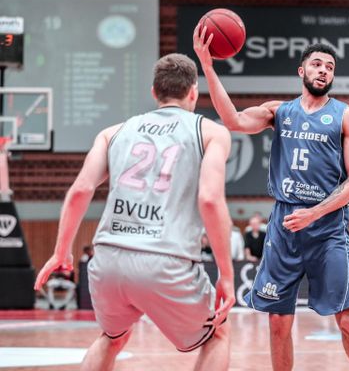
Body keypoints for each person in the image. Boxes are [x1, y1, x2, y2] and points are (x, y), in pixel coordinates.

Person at [34, 53, 236, 371]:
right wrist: (226, 274)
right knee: (218, 334)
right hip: (166, 259)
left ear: (154, 92)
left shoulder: (113, 132)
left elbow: (81, 190)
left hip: (108, 257)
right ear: (193, 92)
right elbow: (210, 199)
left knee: (112, 337)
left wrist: (62, 251)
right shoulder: (212, 132)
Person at [194, 27, 349, 371]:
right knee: (277, 322)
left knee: (348, 320)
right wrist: (208, 66)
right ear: (301, 71)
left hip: (328, 228)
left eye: (330, 67)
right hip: (284, 226)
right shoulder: (279, 112)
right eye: (317, 64)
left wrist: (314, 213)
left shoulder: (347, 116)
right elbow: (233, 120)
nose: (324, 71)